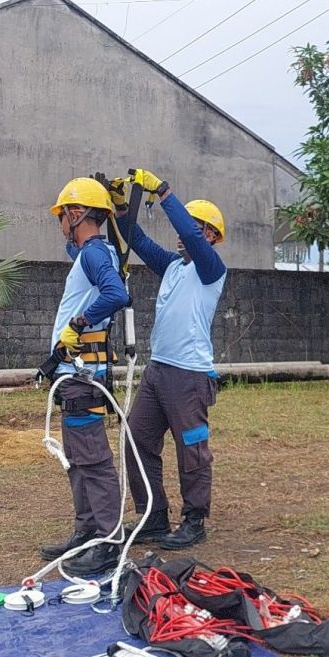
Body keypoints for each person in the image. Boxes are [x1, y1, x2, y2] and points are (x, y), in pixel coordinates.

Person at [115, 168, 227, 550]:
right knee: (136, 440)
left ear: (210, 235)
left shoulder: (211, 269)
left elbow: (192, 238)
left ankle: (195, 520)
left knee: (191, 447)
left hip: (190, 375)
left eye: (197, 228)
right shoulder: (173, 268)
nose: (186, 233)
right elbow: (138, 240)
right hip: (158, 370)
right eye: (188, 226)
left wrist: (163, 191)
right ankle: (153, 516)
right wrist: (119, 209)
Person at [38, 177, 132, 577]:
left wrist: (78, 323)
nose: (60, 223)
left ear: (76, 215)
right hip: (72, 372)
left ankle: (109, 541)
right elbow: (77, 250)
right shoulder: (91, 251)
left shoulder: (95, 253)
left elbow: (116, 294)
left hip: (82, 374)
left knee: (92, 460)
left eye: (63, 215)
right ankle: (87, 531)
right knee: (77, 459)